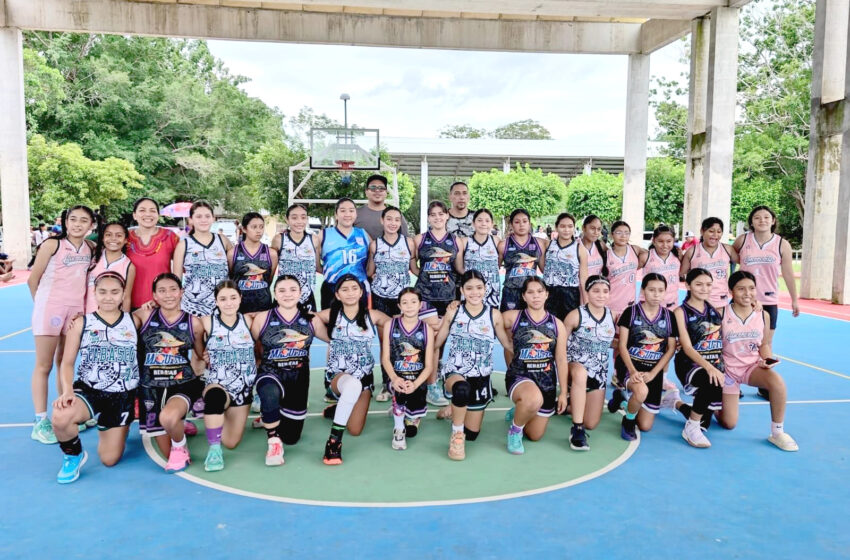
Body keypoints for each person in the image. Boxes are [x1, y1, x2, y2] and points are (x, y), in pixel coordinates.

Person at [51, 272, 139, 483]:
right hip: (90, 390)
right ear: (94, 293)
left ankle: (115, 425)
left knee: (109, 459)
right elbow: (67, 362)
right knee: (61, 416)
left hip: (123, 394)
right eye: (103, 292)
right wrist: (67, 391)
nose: (108, 297)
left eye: (114, 292)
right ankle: (73, 454)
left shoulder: (135, 320)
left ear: (123, 294)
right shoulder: (82, 323)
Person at [28, 205, 96, 444]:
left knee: (64, 362)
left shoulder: (90, 248)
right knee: (44, 364)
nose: (77, 224)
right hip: (50, 309)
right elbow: (32, 279)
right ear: (66, 222)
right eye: (73, 219)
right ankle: (40, 421)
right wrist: (43, 307)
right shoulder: (51, 245)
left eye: (83, 220)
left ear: (91, 225)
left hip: (75, 312)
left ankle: (65, 409)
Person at [435, 270, 513, 460]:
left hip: (480, 376)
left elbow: (506, 343)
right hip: (456, 371)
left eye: (479, 288)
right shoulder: (454, 311)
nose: (474, 292)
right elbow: (438, 342)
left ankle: (453, 409)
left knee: (473, 435)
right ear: (462, 290)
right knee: (461, 390)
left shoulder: (494, 315)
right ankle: (456, 435)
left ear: (485, 289)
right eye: (469, 288)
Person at [716, 271, 798, 451]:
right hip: (727, 371)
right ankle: (713, 405)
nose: (747, 293)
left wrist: (767, 359)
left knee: (777, 383)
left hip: (750, 368)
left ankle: (777, 433)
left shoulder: (763, 316)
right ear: (731, 291)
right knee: (729, 423)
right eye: (741, 289)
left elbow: (765, 344)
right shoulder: (721, 314)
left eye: (751, 288)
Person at [252, 275, 329, 466]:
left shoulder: (311, 319)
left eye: (293, 290)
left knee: (292, 437)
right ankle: (273, 441)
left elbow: (333, 338)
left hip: (298, 378)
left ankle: (269, 417)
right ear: (275, 294)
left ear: (300, 293)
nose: (288, 294)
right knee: (269, 394)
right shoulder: (264, 317)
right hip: (270, 373)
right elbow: (247, 345)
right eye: (282, 290)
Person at [315, 275, 390, 465]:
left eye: (354, 288)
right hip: (338, 377)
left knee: (355, 430)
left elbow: (399, 323)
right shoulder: (330, 314)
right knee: (351, 385)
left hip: (364, 377)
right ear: (338, 294)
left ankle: (338, 408)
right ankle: (334, 442)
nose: (350, 292)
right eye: (345, 289)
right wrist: (329, 339)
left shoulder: (373, 316)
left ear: (361, 292)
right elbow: (308, 319)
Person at [135, 273, 205, 472]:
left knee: (167, 418)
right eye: (162, 291)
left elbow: (200, 354)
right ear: (154, 296)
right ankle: (179, 425)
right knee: (165, 449)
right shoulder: (143, 316)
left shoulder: (194, 323)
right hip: (151, 386)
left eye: (173, 289)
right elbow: (115, 320)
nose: (168, 295)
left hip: (182, 382)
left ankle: (180, 445)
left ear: (181, 292)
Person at [502, 277, 569, 454]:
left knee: (534, 435)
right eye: (530, 292)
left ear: (546, 294)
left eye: (540, 291)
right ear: (524, 296)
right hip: (520, 377)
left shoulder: (557, 325)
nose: (536, 296)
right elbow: (489, 320)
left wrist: (563, 392)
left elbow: (561, 360)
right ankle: (514, 431)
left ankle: (521, 409)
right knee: (532, 399)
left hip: (546, 382)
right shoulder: (513, 317)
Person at [197, 280, 257, 471]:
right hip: (218, 384)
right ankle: (214, 450)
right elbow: (193, 342)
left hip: (243, 389)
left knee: (231, 442)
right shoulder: (207, 322)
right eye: (223, 299)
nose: (228, 303)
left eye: (233, 297)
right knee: (214, 399)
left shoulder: (249, 321)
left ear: (240, 298)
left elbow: (260, 352)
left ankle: (218, 417)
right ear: (216, 301)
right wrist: (202, 354)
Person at [613, 273, 677, 441]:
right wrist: (632, 371)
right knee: (641, 391)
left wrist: (655, 374)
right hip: (629, 365)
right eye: (651, 290)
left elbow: (670, 349)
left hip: (653, 370)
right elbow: (622, 346)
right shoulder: (631, 312)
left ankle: (622, 401)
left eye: (660, 291)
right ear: (643, 290)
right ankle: (628, 421)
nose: (656, 295)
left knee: (645, 426)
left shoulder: (669, 317)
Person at [665, 268, 724, 448]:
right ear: (688, 285)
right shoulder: (681, 312)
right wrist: (709, 367)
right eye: (699, 284)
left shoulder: (715, 309)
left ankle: (676, 403)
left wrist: (756, 304)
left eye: (708, 284)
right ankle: (690, 428)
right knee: (711, 381)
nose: (704, 288)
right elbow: (687, 347)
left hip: (714, 362)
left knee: (706, 422)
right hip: (689, 363)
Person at [562, 276, 617, 450]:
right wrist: (562, 381)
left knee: (591, 423)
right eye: (595, 291)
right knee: (580, 373)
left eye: (605, 291)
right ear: (587, 292)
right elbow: (560, 347)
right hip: (575, 366)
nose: (601, 295)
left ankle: (570, 405)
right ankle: (577, 429)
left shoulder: (613, 316)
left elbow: (617, 343)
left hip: (598, 371)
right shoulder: (575, 315)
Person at [367, 206, 416, 402]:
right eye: (389, 219)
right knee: (385, 342)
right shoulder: (374, 245)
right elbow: (370, 272)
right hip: (381, 298)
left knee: (403, 343)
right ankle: (388, 384)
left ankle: (405, 381)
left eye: (397, 219)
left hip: (402, 301)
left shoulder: (409, 243)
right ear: (382, 220)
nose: (393, 223)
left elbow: (414, 269)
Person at [380, 288, 435, 450]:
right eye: (405, 302)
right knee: (400, 389)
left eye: (413, 302)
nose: (409, 306)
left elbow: (429, 366)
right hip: (396, 378)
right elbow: (385, 358)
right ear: (399, 306)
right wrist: (395, 379)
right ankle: (398, 429)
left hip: (417, 381)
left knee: (413, 430)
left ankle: (410, 414)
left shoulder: (427, 330)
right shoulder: (390, 325)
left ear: (420, 305)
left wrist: (416, 384)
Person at [173, 200, 233, 318]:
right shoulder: (184, 244)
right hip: (192, 306)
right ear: (191, 220)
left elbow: (233, 270)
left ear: (213, 218)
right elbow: (176, 279)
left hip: (222, 305)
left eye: (207, 216)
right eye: (198, 216)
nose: (203, 220)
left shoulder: (223, 240)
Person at [316, 197, 371, 310]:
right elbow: (316, 263)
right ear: (336, 215)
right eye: (342, 210)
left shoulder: (363, 234)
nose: (347, 214)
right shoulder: (324, 234)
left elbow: (374, 257)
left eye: (351, 210)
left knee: (360, 325)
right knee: (331, 324)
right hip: (332, 288)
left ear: (356, 214)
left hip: (358, 288)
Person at [126, 198, 180, 311]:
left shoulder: (170, 236)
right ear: (134, 215)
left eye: (152, 210)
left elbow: (183, 268)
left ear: (158, 215)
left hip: (163, 305)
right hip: (128, 304)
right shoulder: (124, 238)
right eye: (142, 210)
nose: (148, 214)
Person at [413, 200, 458, 320]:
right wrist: (426, 275)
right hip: (425, 295)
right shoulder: (419, 239)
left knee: (444, 332)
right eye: (433, 215)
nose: (437, 217)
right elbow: (412, 266)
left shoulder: (456, 241)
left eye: (441, 214)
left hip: (448, 295)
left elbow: (458, 269)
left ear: (447, 215)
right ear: (428, 218)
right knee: (427, 332)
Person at [680, 217, 739, 309]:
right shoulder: (692, 252)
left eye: (719, 232)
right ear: (702, 231)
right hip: (698, 303)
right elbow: (681, 273)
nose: (715, 235)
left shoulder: (727, 249)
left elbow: (745, 263)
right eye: (711, 231)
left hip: (721, 302)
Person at [272, 203, 320, 311]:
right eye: (294, 218)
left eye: (303, 217)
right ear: (287, 219)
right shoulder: (279, 239)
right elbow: (272, 269)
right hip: (285, 295)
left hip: (307, 296)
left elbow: (317, 267)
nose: (299, 221)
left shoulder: (314, 240)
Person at [541, 212, 588, 320]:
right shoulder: (548, 245)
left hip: (570, 294)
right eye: (562, 226)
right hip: (550, 293)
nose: (566, 230)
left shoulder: (579, 248)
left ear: (574, 228)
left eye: (570, 226)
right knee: (550, 327)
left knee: (568, 328)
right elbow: (544, 268)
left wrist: (586, 303)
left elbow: (583, 278)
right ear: (556, 228)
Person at [229, 212, 277, 315]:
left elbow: (269, 279)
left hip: (264, 308)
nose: (258, 230)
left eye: (261, 227)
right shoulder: (233, 253)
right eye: (254, 227)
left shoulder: (271, 253)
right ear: (244, 229)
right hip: (239, 309)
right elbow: (231, 277)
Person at [498, 208, 545, 312]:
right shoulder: (503, 245)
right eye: (517, 222)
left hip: (532, 292)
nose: (521, 225)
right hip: (511, 292)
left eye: (524, 221)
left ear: (529, 223)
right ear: (511, 224)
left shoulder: (540, 244)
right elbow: (494, 268)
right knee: (508, 324)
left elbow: (544, 270)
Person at [455, 208, 502, 309]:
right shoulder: (464, 242)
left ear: (492, 223)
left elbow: (498, 264)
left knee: (490, 321)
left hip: (492, 292)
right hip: (471, 291)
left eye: (487, 221)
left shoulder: (496, 241)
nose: (483, 224)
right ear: (473, 223)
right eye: (479, 220)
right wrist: (472, 277)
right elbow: (459, 268)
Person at [85, 222, 135, 314]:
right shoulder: (92, 254)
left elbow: (126, 298)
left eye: (119, 235)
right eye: (108, 234)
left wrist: (124, 323)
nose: (113, 238)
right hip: (85, 315)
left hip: (111, 319)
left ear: (125, 240)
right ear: (103, 238)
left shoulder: (128, 266)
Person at [606, 220, 647, 320]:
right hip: (611, 303)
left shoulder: (635, 249)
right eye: (619, 232)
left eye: (626, 233)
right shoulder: (606, 254)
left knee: (626, 334)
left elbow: (650, 255)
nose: (623, 236)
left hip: (630, 304)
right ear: (612, 235)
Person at [354, 174, 409, 239]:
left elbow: (406, 241)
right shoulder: (354, 214)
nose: (377, 191)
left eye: (381, 188)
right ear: (366, 192)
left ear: (386, 192)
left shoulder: (396, 214)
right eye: (373, 188)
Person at [640, 225, 681, 309]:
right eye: (660, 241)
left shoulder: (678, 256)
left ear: (673, 241)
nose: (665, 245)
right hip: (649, 305)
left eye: (669, 241)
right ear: (654, 241)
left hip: (672, 305)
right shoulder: (646, 256)